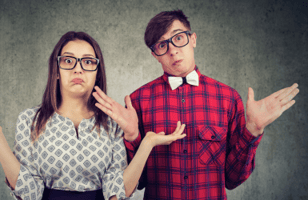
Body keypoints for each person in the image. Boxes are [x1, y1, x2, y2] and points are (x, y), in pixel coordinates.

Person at [92, 10, 300, 200]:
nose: (172, 50)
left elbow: (233, 180)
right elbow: (139, 182)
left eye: (178, 38)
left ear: (193, 40)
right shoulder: (137, 101)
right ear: (154, 55)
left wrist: (252, 131)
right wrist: (132, 136)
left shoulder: (228, 98)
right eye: (162, 45)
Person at [0, 31, 187, 200]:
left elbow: (118, 192)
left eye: (88, 62)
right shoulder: (30, 120)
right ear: (56, 70)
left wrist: (146, 142)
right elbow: (30, 193)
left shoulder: (112, 123)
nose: (78, 69)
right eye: (68, 61)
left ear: (97, 73)